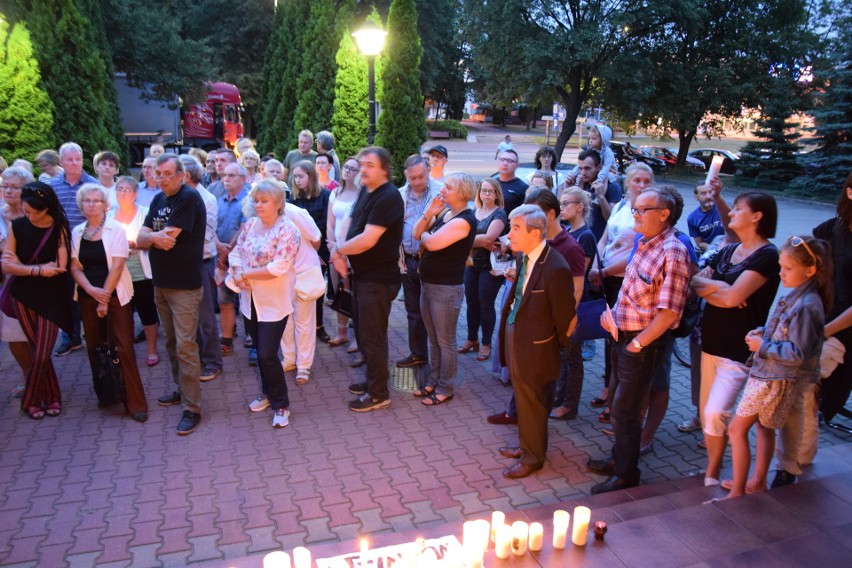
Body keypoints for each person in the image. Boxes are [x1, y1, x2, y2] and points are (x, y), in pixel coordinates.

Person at [587, 187, 691, 494]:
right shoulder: (645, 243)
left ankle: (626, 473)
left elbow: (669, 313)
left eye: (643, 209)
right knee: (619, 403)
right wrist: (613, 319)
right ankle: (619, 458)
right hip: (623, 335)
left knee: (626, 409)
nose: (636, 214)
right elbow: (633, 294)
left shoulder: (673, 251)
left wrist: (638, 344)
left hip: (641, 344)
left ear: (664, 215)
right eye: (635, 208)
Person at [724, 236, 830, 499]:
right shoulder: (798, 295)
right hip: (771, 377)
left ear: (810, 270)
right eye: (781, 267)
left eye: (787, 269)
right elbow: (787, 334)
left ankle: (737, 492)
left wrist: (762, 345)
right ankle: (757, 481)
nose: (781, 273)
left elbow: (797, 352)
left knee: (736, 429)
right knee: (764, 427)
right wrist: (765, 333)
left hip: (773, 380)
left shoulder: (806, 304)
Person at [690, 191, 780, 486]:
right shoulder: (729, 251)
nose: (731, 213)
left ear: (757, 216)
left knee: (716, 412)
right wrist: (719, 287)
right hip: (710, 344)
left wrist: (719, 291)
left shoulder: (768, 255)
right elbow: (695, 281)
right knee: (707, 415)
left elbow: (732, 299)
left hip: (736, 351)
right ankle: (711, 470)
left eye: (739, 209)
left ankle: (713, 473)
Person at [497, 205, 576, 478]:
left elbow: (565, 317)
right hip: (516, 334)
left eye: (515, 228)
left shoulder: (556, 267)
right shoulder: (524, 257)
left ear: (535, 232)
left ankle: (533, 458)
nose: (509, 234)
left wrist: (553, 345)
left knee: (533, 400)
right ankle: (527, 445)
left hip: (537, 345)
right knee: (523, 397)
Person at [329, 147, 404, 412]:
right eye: (362, 164)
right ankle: (373, 380)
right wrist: (341, 253)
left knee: (372, 337)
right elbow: (350, 219)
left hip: (379, 280)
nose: (363, 169)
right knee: (362, 333)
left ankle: (379, 394)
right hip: (362, 276)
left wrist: (339, 251)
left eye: (370, 165)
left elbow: (369, 239)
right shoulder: (366, 190)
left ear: (384, 168)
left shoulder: (389, 196)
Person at [137, 154, 207, 436]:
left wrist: (147, 238)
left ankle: (192, 407)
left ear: (181, 175)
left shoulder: (188, 199)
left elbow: (166, 240)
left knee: (185, 346)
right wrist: (150, 238)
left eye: (168, 173)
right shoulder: (158, 200)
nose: (162, 178)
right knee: (171, 343)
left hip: (185, 286)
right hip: (161, 283)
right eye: (158, 173)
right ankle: (181, 389)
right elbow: (145, 238)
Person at [70, 184, 148, 423]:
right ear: (81, 205)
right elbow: (75, 267)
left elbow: (117, 265)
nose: (92, 204)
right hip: (87, 296)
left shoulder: (115, 229)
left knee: (123, 346)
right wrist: (90, 290)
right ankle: (107, 394)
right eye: (87, 201)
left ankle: (135, 402)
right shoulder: (77, 232)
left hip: (115, 296)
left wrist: (103, 296)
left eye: (96, 200)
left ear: (105, 204)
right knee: (95, 346)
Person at [230, 180, 301, 428]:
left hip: (274, 302)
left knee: (268, 354)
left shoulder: (288, 230)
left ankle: (281, 404)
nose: (258, 205)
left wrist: (246, 274)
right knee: (260, 354)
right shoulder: (250, 225)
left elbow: (278, 267)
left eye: (264, 201)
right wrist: (238, 271)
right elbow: (235, 253)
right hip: (249, 301)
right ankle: (267, 394)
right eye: (256, 201)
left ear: (278, 204)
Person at [587, 163, 653, 419]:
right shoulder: (622, 207)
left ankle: (615, 396)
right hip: (606, 277)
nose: (642, 185)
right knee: (608, 335)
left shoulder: (647, 213)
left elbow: (636, 255)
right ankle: (607, 386)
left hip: (626, 281)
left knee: (618, 338)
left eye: (647, 181)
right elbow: (605, 237)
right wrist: (596, 264)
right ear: (627, 183)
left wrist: (601, 272)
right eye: (637, 180)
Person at [2, 182, 73, 419]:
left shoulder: (60, 227)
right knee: (36, 350)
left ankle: (30, 400)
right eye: (26, 210)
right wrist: (39, 270)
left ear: (47, 209)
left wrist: (22, 267)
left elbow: (61, 267)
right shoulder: (18, 226)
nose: (30, 216)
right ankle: (52, 397)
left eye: (35, 212)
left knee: (42, 354)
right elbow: (6, 265)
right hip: (22, 296)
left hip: (52, 298)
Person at [411, 173, 477, 405]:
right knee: (433, 337)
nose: (443, 190)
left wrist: (426, 234)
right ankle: (433, 380)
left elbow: (430, 242)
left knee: (445, 340)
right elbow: (415, 232)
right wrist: (429, 212)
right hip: (428, 283)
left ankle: (446, 386)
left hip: (446, 288)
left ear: (461, 192)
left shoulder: (464, 220)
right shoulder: (446, 213)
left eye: (448, 187)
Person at [48, 142, 98, 356]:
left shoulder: (92, 184)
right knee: (67, 294)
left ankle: (97, 334)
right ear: (61, 162)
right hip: (62, 247)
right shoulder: (53, 186)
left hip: (89, 246)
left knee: (91, 290)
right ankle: (71, 336)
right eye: (69, 159)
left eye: (78, 159)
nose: (75, 163)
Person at [812, 173, 852, 436]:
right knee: (808, 388)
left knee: (825, 384)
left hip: (844, 328)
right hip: (822, 317)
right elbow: (802, 248)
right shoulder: (834, 228)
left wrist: (827, 331)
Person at [551, 186, 595, 418]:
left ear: (580, 206)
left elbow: (579, 274)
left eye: (567, 203)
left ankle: (570, 405)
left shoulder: (585, 235)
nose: (562, 207)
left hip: (576, 302)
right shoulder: (568, 229)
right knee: (563, 355)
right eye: (561, 203)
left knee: (572, 357)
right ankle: (559, 396)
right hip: (562, 300)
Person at [178, 155, 223, 382]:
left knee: (206, 316)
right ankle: (195, 359)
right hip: (181, 264)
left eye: (173, 173)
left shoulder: (206, 199)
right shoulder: (173, 198)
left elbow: (205, 235)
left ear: (186, 175)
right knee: (187, 317)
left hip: (202, 263)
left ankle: (213, 361)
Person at [109, 176, 160, 368]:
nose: (123, 193)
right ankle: (125, 349)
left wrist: (136, 244)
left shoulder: (145, 214)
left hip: (140, 271)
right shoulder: (109, 215)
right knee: (122, 314)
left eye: (127, 190)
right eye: (120, 189)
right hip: (119, 273)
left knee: (147, 311)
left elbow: (153, 239)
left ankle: (152, 349)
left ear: (136, 194)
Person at [397, 155, 442, 369]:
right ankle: (418, 353)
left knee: (434, 313)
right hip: (407, 261)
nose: (417, 181)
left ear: (428, 170)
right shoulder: (400, 194)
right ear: (407, 176)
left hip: (432, 262)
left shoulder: (441, 192)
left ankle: (439, 359)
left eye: (421, 176)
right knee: (413, 311)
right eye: (412, 178)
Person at [461, 177, 508, 361]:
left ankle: (486, 343)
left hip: (490, 268)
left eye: (490, 191)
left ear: (497, 194)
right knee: (471, 303)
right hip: (471, 264)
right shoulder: (474, 211)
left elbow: (489, 239)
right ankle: (472, 339)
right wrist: (476, 241)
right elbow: (481, 240)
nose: (486, 194)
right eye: (483, 190)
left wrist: (466, 240)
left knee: (485, 304)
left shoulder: (499, 214)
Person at [1, 167, 35, 398]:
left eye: (14, 187)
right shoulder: (0, 214)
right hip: (5, 284)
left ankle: (40, 376)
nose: (8, 191)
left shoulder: (33, 216)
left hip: (32, 282)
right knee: (13, 334)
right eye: (5, 186)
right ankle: (28, 375)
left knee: (34, 334)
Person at [289, 160, 331, 344]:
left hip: (319, 249)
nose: (297, 180)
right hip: (298, 251)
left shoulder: (325, 196)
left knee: (316, 289)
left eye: (301, 176)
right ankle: (300, 327)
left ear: (311, 176)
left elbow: (325, 223)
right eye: (295, 176)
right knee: (298, 290)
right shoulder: (293, 198)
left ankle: (319, 326)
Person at [280, 200, 322, 385]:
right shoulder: (259, 216)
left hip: (303, 271)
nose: (259, 205)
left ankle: (304, 365)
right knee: (284, 320)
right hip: (280, 275)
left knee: (304, 321)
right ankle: (289, 359)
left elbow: (315, 237)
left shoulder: (295, 212)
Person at [326, 156, 361, 352]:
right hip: (336, 251)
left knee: (355, 293)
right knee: (340, 291)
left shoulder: (361, 195)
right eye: (346, 167)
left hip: (352, 251)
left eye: (353, 168)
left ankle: (358, 336)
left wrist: (345, 250)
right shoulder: (335, 192)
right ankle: (341, 333)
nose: (347, 170)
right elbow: (330, 223)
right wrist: (333, 247)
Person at [215, 163, 249, 357]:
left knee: (247, 301)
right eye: (225, 175)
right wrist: (219, 247)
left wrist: (227, 252)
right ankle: (227, 340)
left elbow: (244, 228)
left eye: (232, 175)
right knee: (224, 300)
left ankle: (252, 339)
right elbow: (213, 227)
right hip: (221, 259)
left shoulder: (250, 200)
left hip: (243, 260)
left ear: (243, 179)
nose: (226, 178)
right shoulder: (219, 201)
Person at [572, 149, 622, 241]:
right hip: (580, 239)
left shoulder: (612, 187)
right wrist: (573, 189)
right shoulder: (581, 184)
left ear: (599, 167)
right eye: (580, 168)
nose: (583, 173)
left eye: (587, 168)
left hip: (600, 242)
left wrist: (601, 197)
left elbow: (611, 219)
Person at [687, 179, 729, 252]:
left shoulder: (723, 208)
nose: (708, 196)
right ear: (696, 197)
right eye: (703, 193)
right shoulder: (692, 218)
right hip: (710, 252)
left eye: (710, 192)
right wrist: (713, 249)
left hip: (729, 248)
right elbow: (699, 243)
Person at [495, 149, 528, 215]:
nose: (505, 163)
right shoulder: (490, 183)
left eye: (510, 161)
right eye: (502, 159)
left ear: (517, 165)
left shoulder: (523, 188)